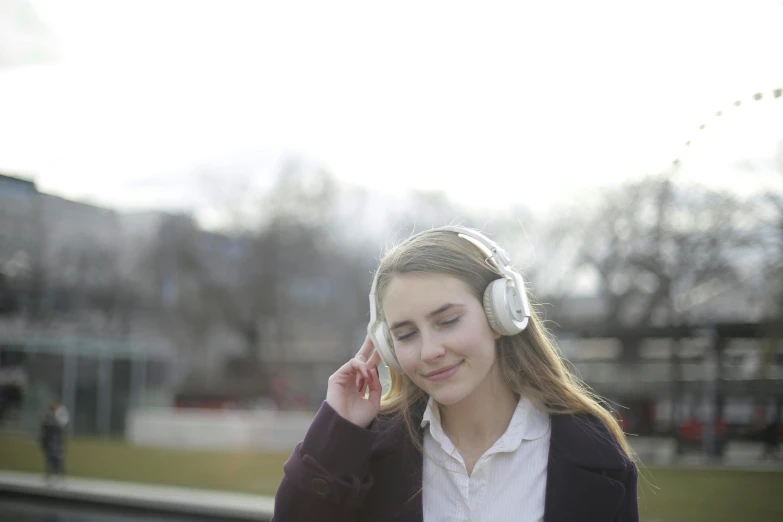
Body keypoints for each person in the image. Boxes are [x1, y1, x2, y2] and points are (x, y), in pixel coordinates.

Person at [273, 226, 639, 521]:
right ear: (387, 348)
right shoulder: (368, 449)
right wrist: (338, 434)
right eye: (405, 334)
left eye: (447, 321)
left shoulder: (591, 448)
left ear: (502, 314)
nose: (430, 350)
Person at [39, 399, 69, 485]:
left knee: (58, 459)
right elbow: (45, 426)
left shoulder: (59, 415)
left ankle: (60, 477)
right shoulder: (49, 416)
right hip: (51, 441)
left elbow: (60, 426)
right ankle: (49, 476)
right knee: (49, 459)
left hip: (56, 441)